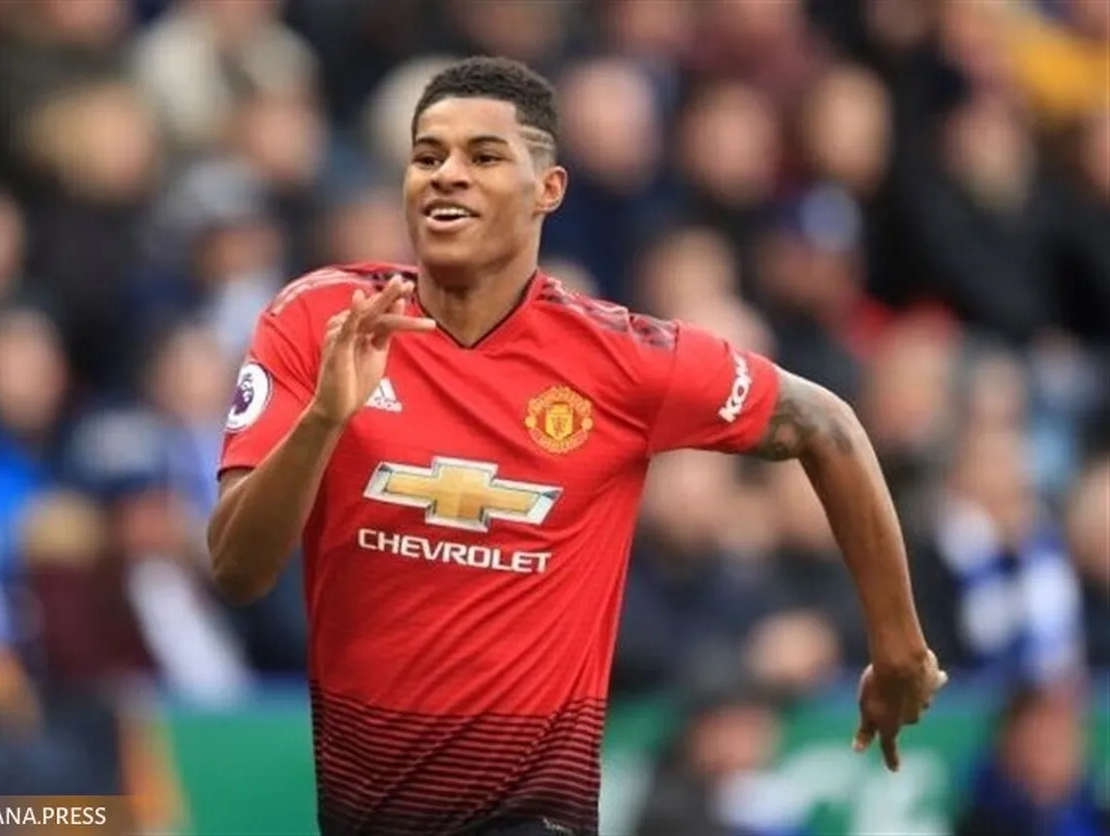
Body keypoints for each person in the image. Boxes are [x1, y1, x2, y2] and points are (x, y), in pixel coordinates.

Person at [207, 56, 947, 836]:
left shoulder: (621, 360)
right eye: (427, 156)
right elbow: (236, 569)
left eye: (483, 156)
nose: (446, 174)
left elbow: (826, 425)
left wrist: (897, 647)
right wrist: (324, 420)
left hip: (535, 814)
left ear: (548, 190)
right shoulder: (320, 322)